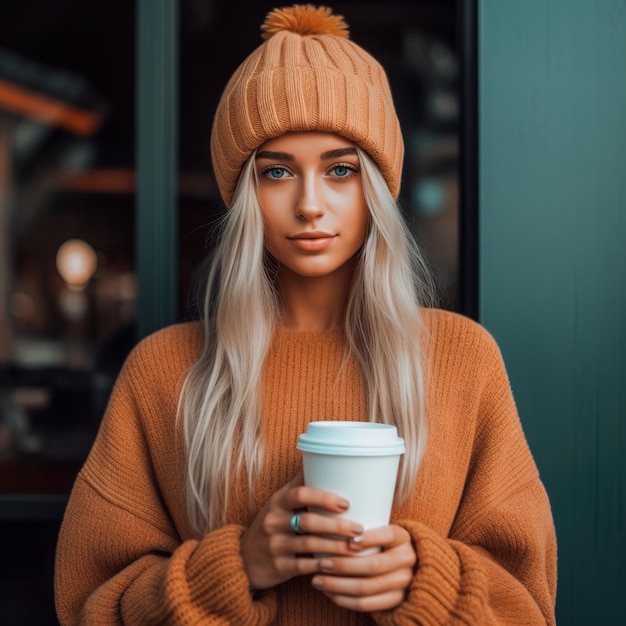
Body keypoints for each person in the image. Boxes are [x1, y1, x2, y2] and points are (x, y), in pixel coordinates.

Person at [54, 5, 557, 624]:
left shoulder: (463, 361)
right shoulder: (163, 372)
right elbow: (92, 608)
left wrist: (427, 581)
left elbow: (528, 605)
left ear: (376, 188)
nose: (310, 204)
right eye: (277, 172)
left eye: (341, 170)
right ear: (243, 196)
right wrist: (238, 566)